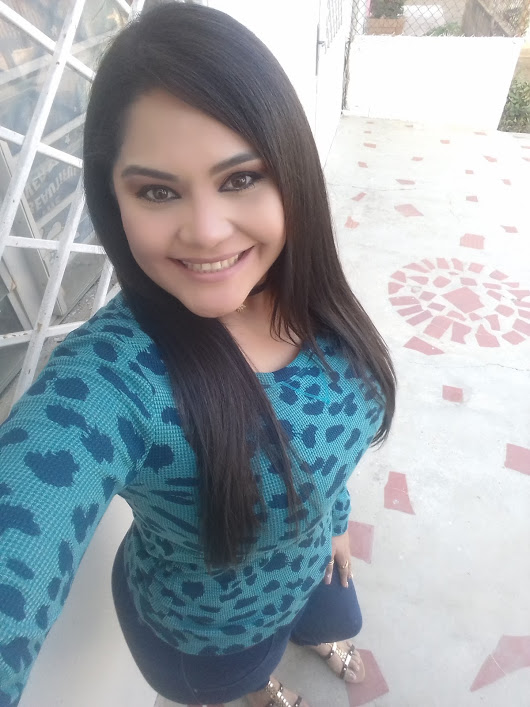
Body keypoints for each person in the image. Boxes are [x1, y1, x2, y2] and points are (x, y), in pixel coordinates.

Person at [0, 4, 396, 706]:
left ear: (291, 175)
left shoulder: (313, 300)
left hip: (315, 566)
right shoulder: (117, 378)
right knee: (241, 680)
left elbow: (325, 455)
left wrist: (335, 519)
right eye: (157, 191)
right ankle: (259, 686)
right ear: (113, 200)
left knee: (333, 611)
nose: (208, 232)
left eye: (240, 178)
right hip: (207, 637)